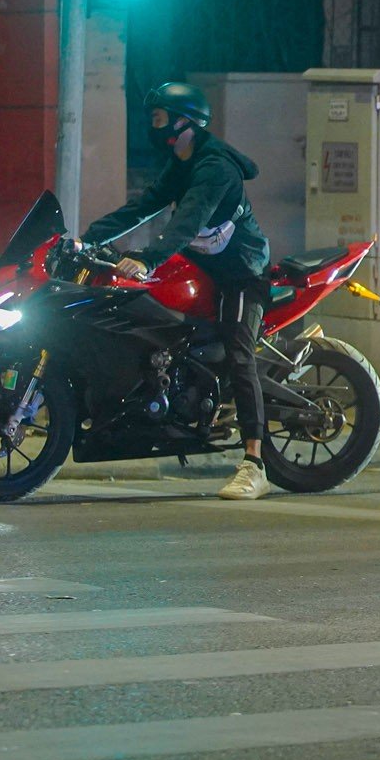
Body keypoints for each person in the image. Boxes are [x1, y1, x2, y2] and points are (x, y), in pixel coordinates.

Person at [82, 82, 274, 501]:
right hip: (200, 267)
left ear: (183, 121)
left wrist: (148, 257)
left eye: (158, 118)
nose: (152, 125)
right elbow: (143, 206)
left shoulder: (214, 166)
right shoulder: (181, 161)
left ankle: (255, 463)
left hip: (241, 272)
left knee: (241, 355)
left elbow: (187, 221)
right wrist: (86, 240)